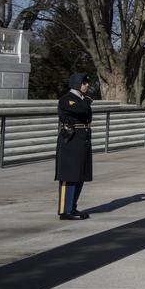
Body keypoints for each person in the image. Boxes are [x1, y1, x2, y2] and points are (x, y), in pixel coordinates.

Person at [55, 72, 94, 220]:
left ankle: (72, 207)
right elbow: (80, 110)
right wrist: (88, 100)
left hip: (82, 139)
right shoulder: (67, 99)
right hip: (70, 140)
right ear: (77, 84)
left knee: (80, 175)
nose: (87, 85)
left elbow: (86, 114)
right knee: (69, 176)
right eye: (84, 83)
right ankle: (65, 210)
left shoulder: (82, 100)